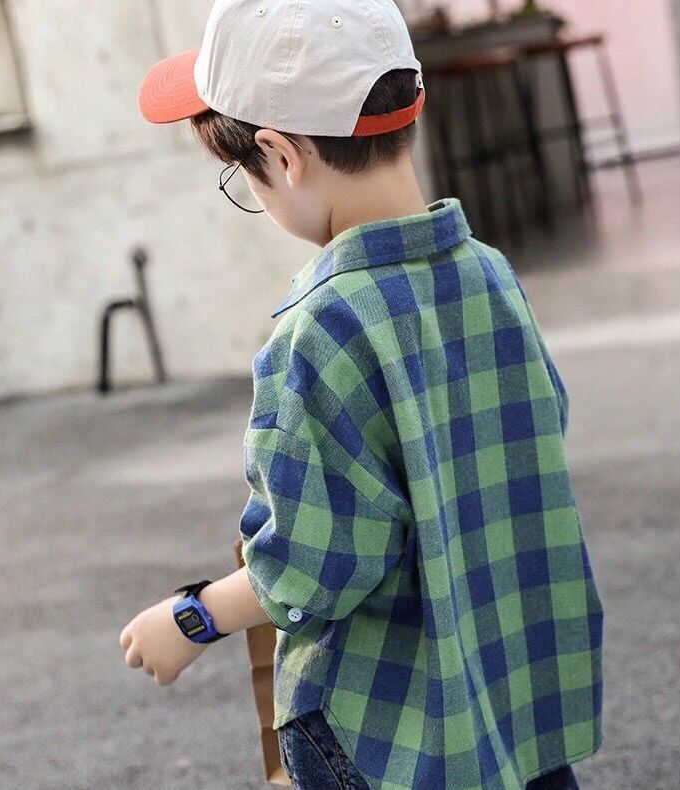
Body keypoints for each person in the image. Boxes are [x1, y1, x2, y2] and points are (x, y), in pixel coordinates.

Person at [120, 1, 604, 788]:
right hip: (512, 701)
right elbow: (539, 431)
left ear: (280, 155)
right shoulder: (491, 275)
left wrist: (191, 617)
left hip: (391, 733)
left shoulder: (319, 332)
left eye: (243, 180)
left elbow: (313, 561)